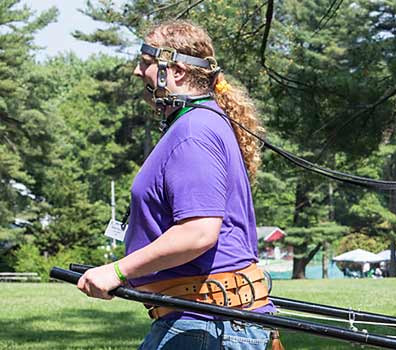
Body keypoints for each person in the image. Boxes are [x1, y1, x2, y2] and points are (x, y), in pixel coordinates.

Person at [75, 20, 274, 350]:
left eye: (145, 62)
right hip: (206, 320)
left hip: (205, 325)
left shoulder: (194, 131)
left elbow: (198, 232)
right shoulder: (201, 123)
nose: (138, 73)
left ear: (176, 71)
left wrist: (117, 271)